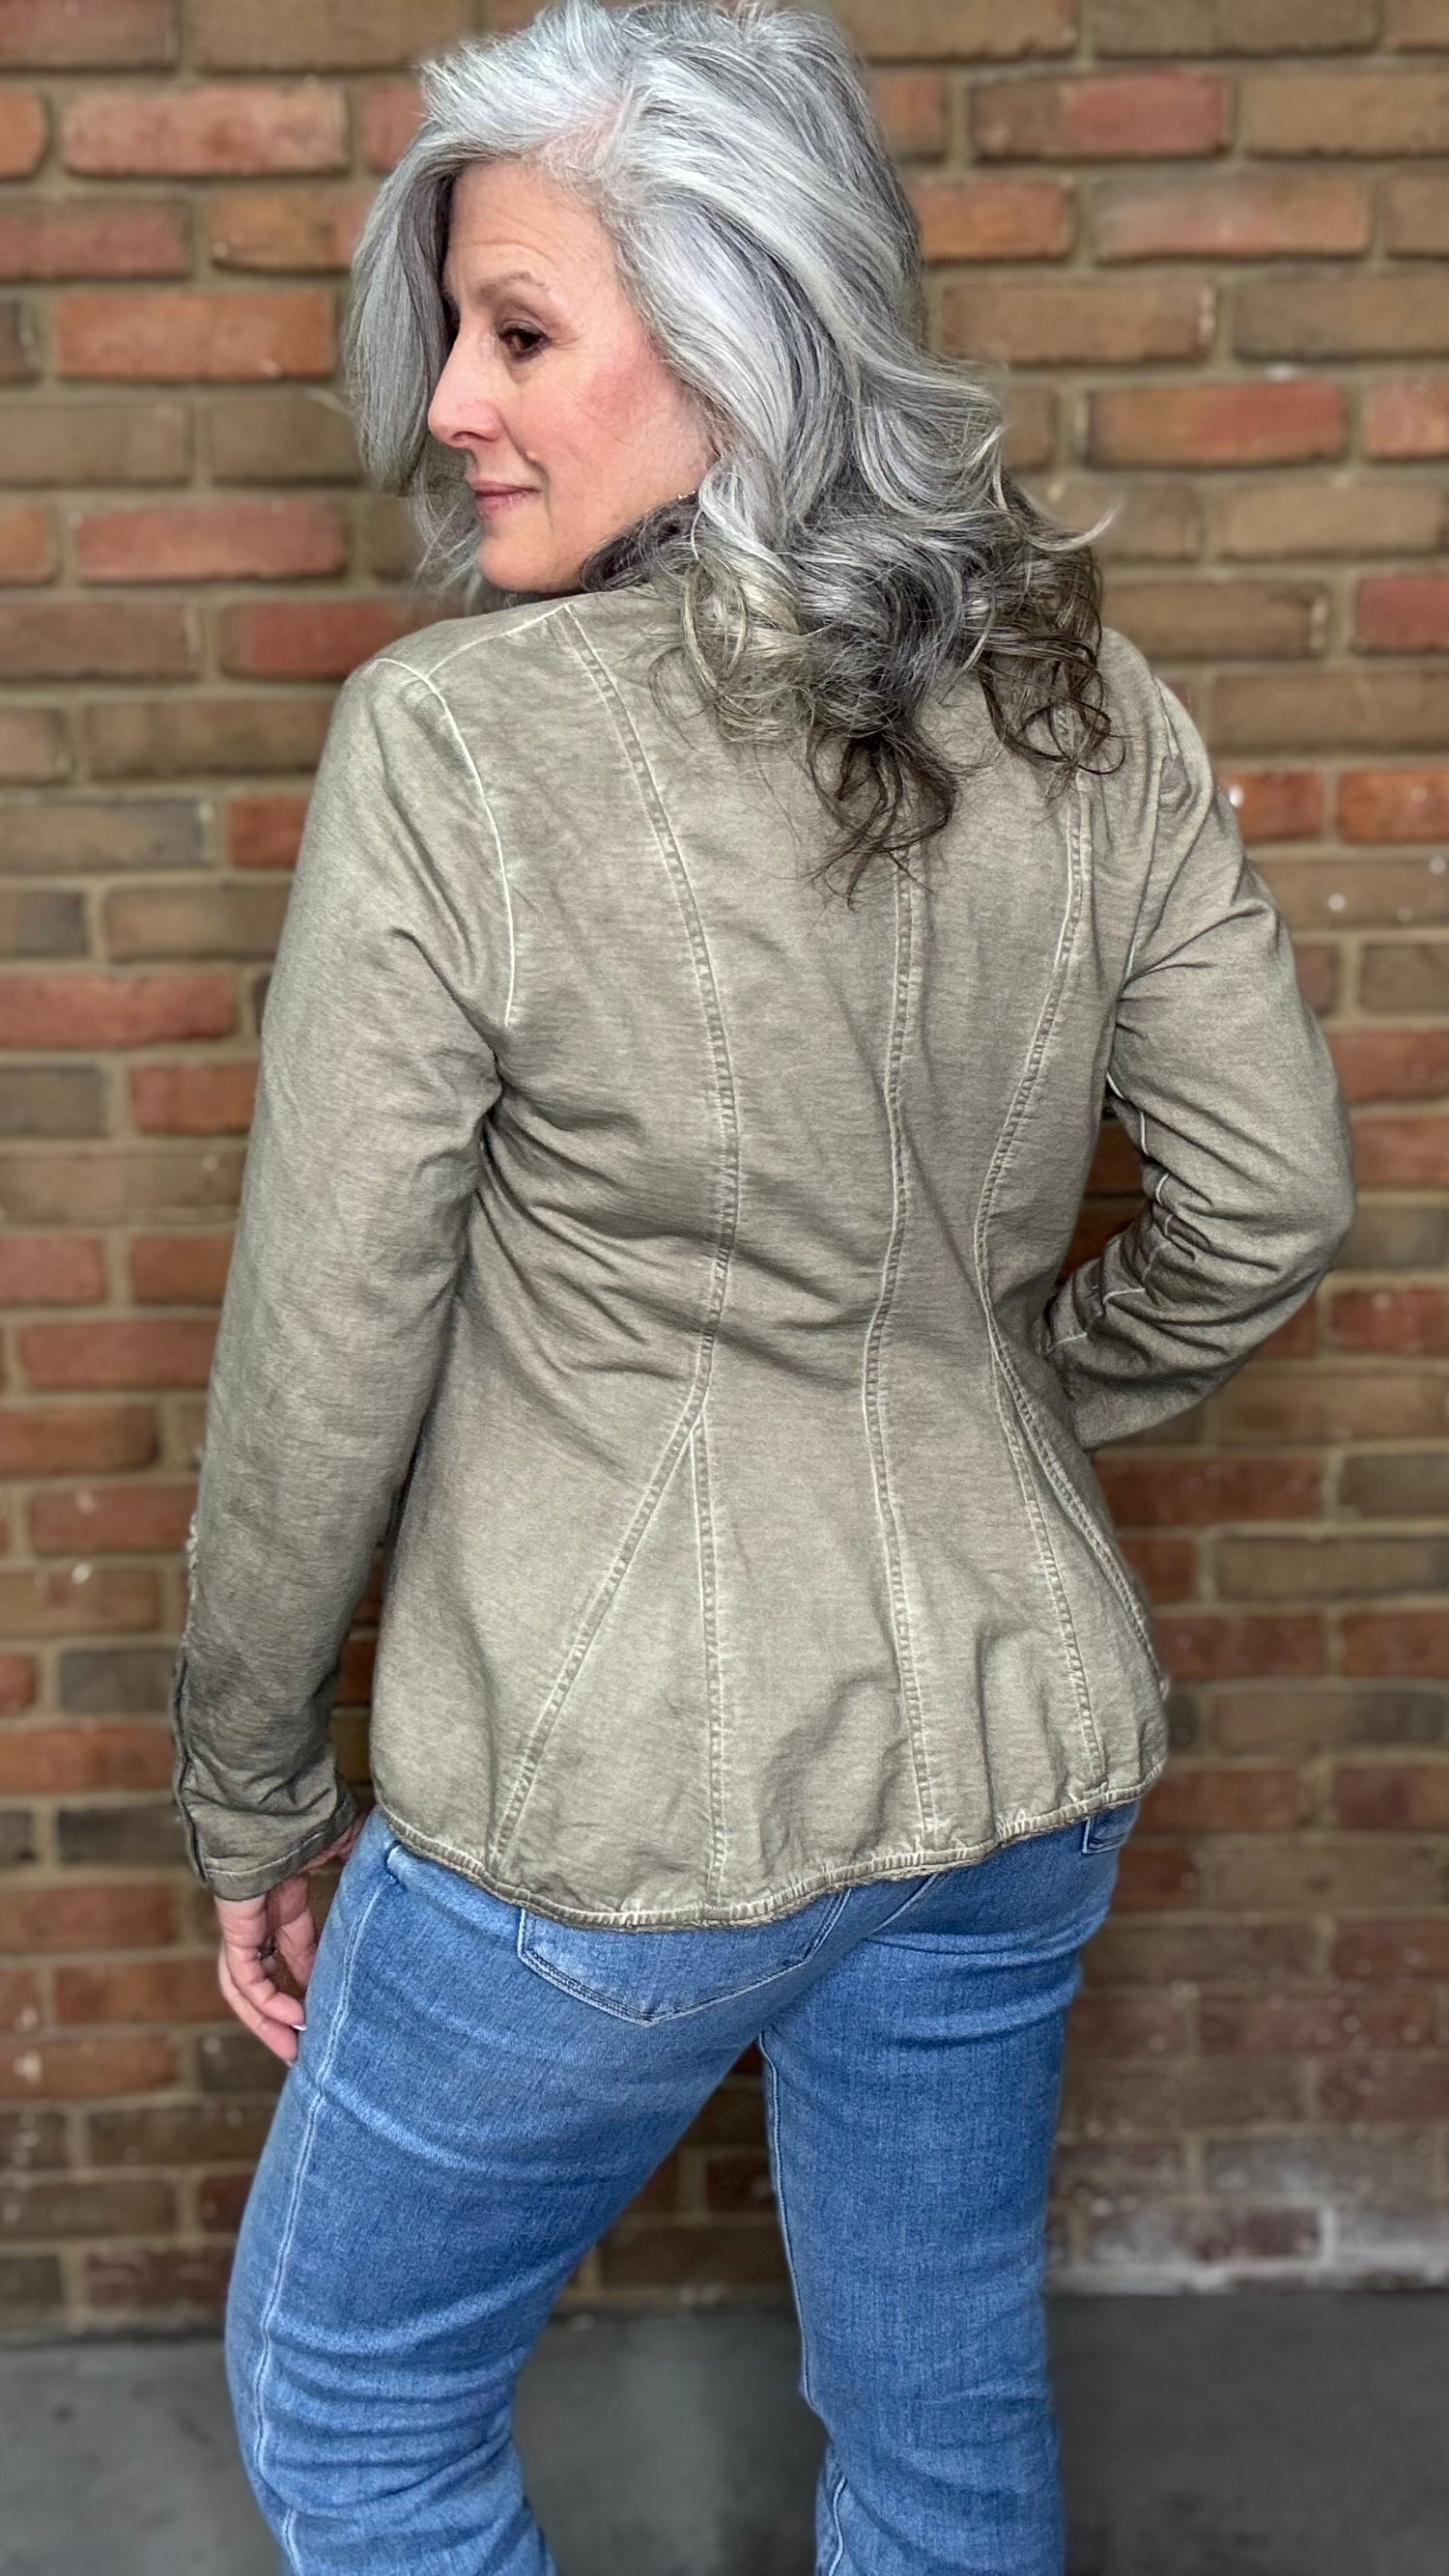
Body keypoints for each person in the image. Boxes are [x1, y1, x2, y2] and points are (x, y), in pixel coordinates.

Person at [166, 3, 1356, 2568]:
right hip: (1017, 1758)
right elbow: (1269, 1203)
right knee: (936, 2436)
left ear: (738, 338)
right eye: (454, 333)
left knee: (352, 2397)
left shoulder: (452, 748)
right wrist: (1006, 1387)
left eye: (517, 331)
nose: (448, 407)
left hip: (602, 1801)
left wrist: (252, 1782)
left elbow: (322, 1357)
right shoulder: (1088, 706)